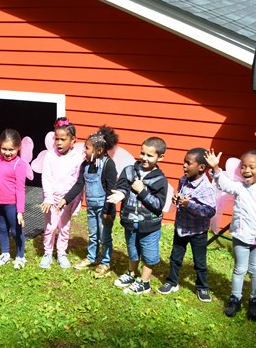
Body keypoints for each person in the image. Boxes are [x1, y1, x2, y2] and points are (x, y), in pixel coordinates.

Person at [205, 149, 256, 320]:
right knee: (239, 269)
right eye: (243, 167)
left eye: (251, 167)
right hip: (242, 236)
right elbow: (224, 184)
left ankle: (254, 300)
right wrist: (216, 168)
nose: (246, 170)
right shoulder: (239, 187)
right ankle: (235, 299)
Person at [107, 137, 168, 294]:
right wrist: (120, 194)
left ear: (160, 157)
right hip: (130, 221)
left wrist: (142, 190)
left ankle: (145, 282)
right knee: (132, 250)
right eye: (142, 153)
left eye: (150, 155)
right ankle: (131, 273)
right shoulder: (129, 170)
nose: (144, 158)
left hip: (150, 226)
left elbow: (158, 205)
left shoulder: (160, 180)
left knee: (149, 253)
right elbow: (121, 186)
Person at [58, 127, 118, 278]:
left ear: (98, 150)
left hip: (105, 209)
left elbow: (111, 190)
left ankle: (105, 262)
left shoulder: (108, 165)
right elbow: (79, 185)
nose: (84, 151)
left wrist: (107, 211)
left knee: (104, 236)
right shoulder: (85, 165)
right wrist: (65, 199)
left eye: (87, 148)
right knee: (93, 234)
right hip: (91, 208)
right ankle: (92, 257)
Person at [158, 148, 216, 301]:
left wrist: (189, 205)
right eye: (184, 162)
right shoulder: (183, 180)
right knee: (175, 257)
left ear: (201, 168)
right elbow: (182, 198)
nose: (184, 165)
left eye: (188, 163)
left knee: (200, 262)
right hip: (181, 227)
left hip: (198, 232)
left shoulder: (206, 187)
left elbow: (210, 211)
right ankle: (172, 281)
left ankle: (202, 287)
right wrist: (177, 199)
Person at [39, 117, 83, 269]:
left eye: (63, 139)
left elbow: (78, 182)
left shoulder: (77, 158)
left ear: (73, 141)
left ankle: (62, 253)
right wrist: (49, 198)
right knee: (50, 227)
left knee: (64, 227)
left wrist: (74, 202)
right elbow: (46, 177)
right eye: (56, 139)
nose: (59, 143)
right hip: (51, 199)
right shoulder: (50, 156)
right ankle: (48, 253)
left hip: (66, 200)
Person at [0, 128, 28, 269]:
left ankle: (20, 256)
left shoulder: (19, 165)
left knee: (15, 230)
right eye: (4, 149)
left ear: (18, 148)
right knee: (2, 228)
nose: (7, 153)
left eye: (11, 149)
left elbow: (20, 189)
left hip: (11, 204)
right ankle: (5, 253)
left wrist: (20, 211)